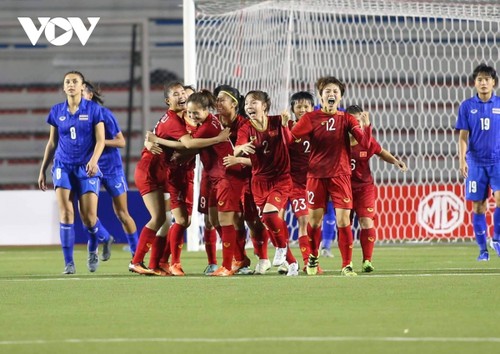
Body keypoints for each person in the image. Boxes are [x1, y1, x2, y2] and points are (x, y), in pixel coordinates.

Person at [290, 76, 372, 276]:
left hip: (341, 176)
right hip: (316, 176)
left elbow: (365, 144)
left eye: (335, 91)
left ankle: (347, 265)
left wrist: (366, 128)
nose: (331, 94)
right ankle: (313, 257)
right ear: (321, 96)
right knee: (314, 221)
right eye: (327, 91)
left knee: (343, 221)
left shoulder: (347, 119)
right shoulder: (311, 118)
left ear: (341, 97)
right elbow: (292, 137)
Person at [38, 70, 112, 274]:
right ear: (64, 87)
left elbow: (100, 140)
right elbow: (52, 142)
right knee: (66, 213)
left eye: (75, 81)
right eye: (67, 82)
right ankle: (69, 263)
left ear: (82, 87)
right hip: (62, 166)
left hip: (86, 168)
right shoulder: (56, 111)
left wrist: (94, 161)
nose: (71, 84)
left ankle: (105, 239)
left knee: (89, 218)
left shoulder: (94, 110)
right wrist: (43, 170)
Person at [234, 90, 299, 276]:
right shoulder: (246, 128)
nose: (249, 106)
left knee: (270, 216)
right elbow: (236, 149)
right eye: (246, 103)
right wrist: (241, 148)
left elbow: (290, 143)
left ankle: (281, 249)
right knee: (268, 222)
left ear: (264, 106)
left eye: (254, 102)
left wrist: (286, 126)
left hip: (281, 179)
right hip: (259, 182)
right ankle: (292, 263)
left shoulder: (279, 121)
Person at [346, 104, 407, 272]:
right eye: (351, 121)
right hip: (342, 188)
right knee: (344, 225)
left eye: (358, 121)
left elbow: (380, 152)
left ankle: (367, 260)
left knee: (366, 221)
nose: (355, 124)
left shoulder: (365, 140)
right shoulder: (337, 141)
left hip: (364, 187)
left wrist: (395, 161)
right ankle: (347, 262)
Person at [82, 81, 138, 258]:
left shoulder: (104, 114)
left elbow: (121, 141)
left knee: (122, 213)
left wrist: (100, 142)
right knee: (89, 215)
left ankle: (136, 252)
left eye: (82, 91)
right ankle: (102, 241)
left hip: (112, 168)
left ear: (90, 95)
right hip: (91, 168)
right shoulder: (72, 116)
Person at [456, 63, 500, 261]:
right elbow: (463, 136)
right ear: (475, 83)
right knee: (478, 207)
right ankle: (483, 251)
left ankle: (496, 238)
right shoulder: (467, 106)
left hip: (497, 161)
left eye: (487, 79)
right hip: (475, 163)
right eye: (480, 79)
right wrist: (462, 160)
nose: (483, 83)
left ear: (494, 83)